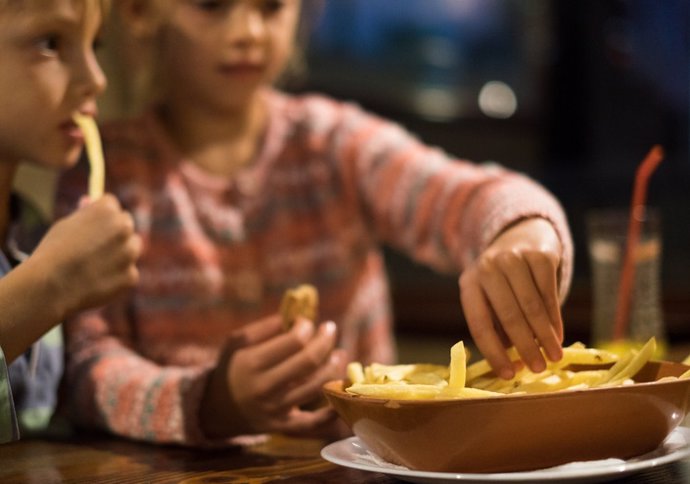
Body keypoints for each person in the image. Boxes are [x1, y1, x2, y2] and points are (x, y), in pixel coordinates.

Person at [55, 0, 574, 446]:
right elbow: (85, 367)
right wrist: (209, 402)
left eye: (272, 7)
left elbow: (469, 198)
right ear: (141, 11)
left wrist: (521, 228)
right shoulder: (107, 170)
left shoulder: (331, 142)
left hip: (361, 463)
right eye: (212, 5)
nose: (248, 32)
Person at [0, 0, 141, 443]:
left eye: (94, 45)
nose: (97, 78)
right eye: (51, 43)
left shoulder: (35, 233)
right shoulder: (48, 264)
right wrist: (47, 289)